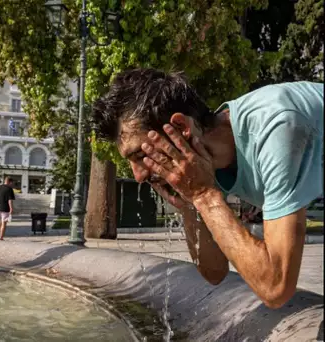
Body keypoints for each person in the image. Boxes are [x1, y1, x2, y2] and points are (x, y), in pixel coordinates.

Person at [92, 68, 323, 309]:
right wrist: (190, 207)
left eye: (141, 154)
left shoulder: (277, 126)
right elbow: (214, 272)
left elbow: (276, 287)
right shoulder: (206, 161)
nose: (138, 176)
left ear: (181, 127)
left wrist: (204, 197)